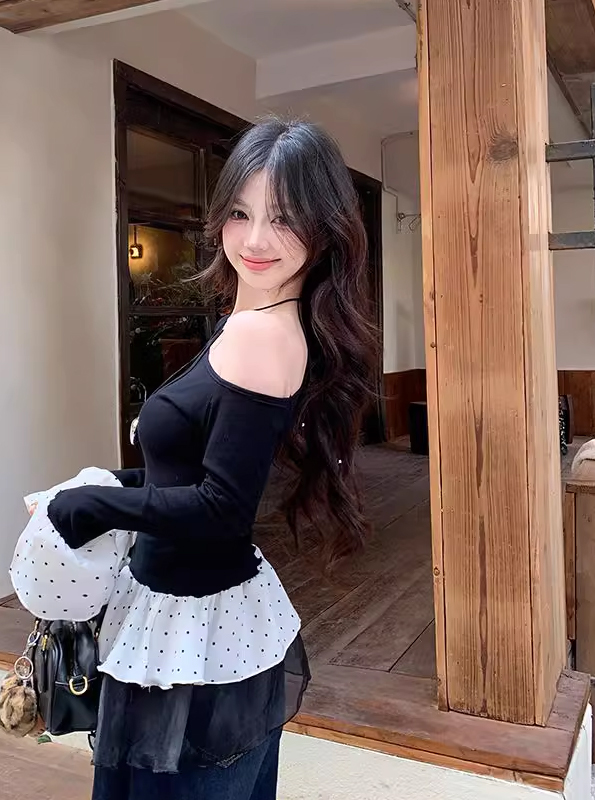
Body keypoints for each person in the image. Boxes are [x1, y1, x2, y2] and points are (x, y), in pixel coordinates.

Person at [46, 117, 378, 800]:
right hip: (187, 614)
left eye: (283, 219)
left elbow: (222, 509)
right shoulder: (247, 321)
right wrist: (113, 485)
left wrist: (89, 507)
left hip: (196, 629)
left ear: (324, 230)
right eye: (240, 213)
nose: (254, 240)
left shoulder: (262, 337)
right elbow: (196, 471)